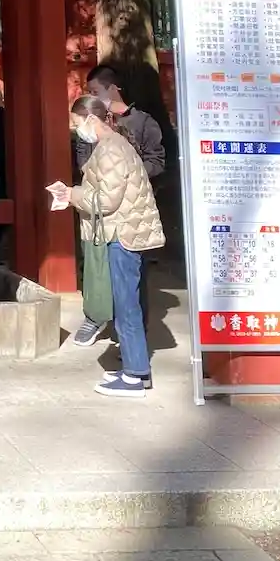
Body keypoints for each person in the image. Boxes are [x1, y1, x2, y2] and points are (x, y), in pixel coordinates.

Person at [50, 95, 164, 399]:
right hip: (127, 231)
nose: (76, 130)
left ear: (91, 119)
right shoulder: (114, 145)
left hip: (122, 234)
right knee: (129, 304)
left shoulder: (111, 149)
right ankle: (137, 368)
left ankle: (133, 376)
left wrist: (72, 195)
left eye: (77, 123)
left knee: (126, 306)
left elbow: (107, 201)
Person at [71, 64, 164, 347]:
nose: (92, 96)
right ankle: (95, 316)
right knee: (94, 266)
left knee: (132, 279)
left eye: (95, 90)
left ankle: (133, 341)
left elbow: (157, 161)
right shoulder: (92, 124)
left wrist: (129, 173)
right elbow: (83, 161)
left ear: (113, 88)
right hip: (99, 208)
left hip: (130, 212)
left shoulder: (142, 122)